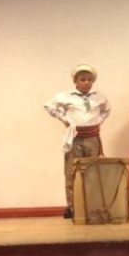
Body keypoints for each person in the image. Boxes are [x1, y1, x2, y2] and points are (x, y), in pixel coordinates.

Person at [44, 64, 111, 219]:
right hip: (74, 138)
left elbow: (107, 109)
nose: (86, 82)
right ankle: (72, 206)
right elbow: (48, 105)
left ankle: (92, 206)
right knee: (71, 172)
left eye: (89, 80)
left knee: (92, 173)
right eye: (82, 79)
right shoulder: (66, 96)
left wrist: (99, 120)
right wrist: (64, 118)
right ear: (75, 81)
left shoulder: (99, 97)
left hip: (92, 138)